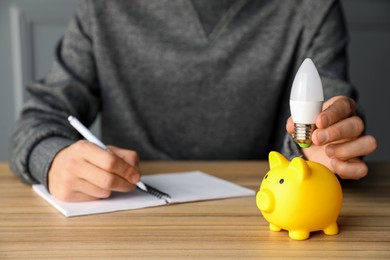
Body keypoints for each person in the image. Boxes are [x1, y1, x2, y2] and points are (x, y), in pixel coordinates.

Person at [10, 0, 377, 202]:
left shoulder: (312, 9)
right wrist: (53, 159)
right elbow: (37, 119)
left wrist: (323, 147)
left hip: (259, 215)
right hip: (127, 219)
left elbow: (329, 110)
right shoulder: (102, 9)